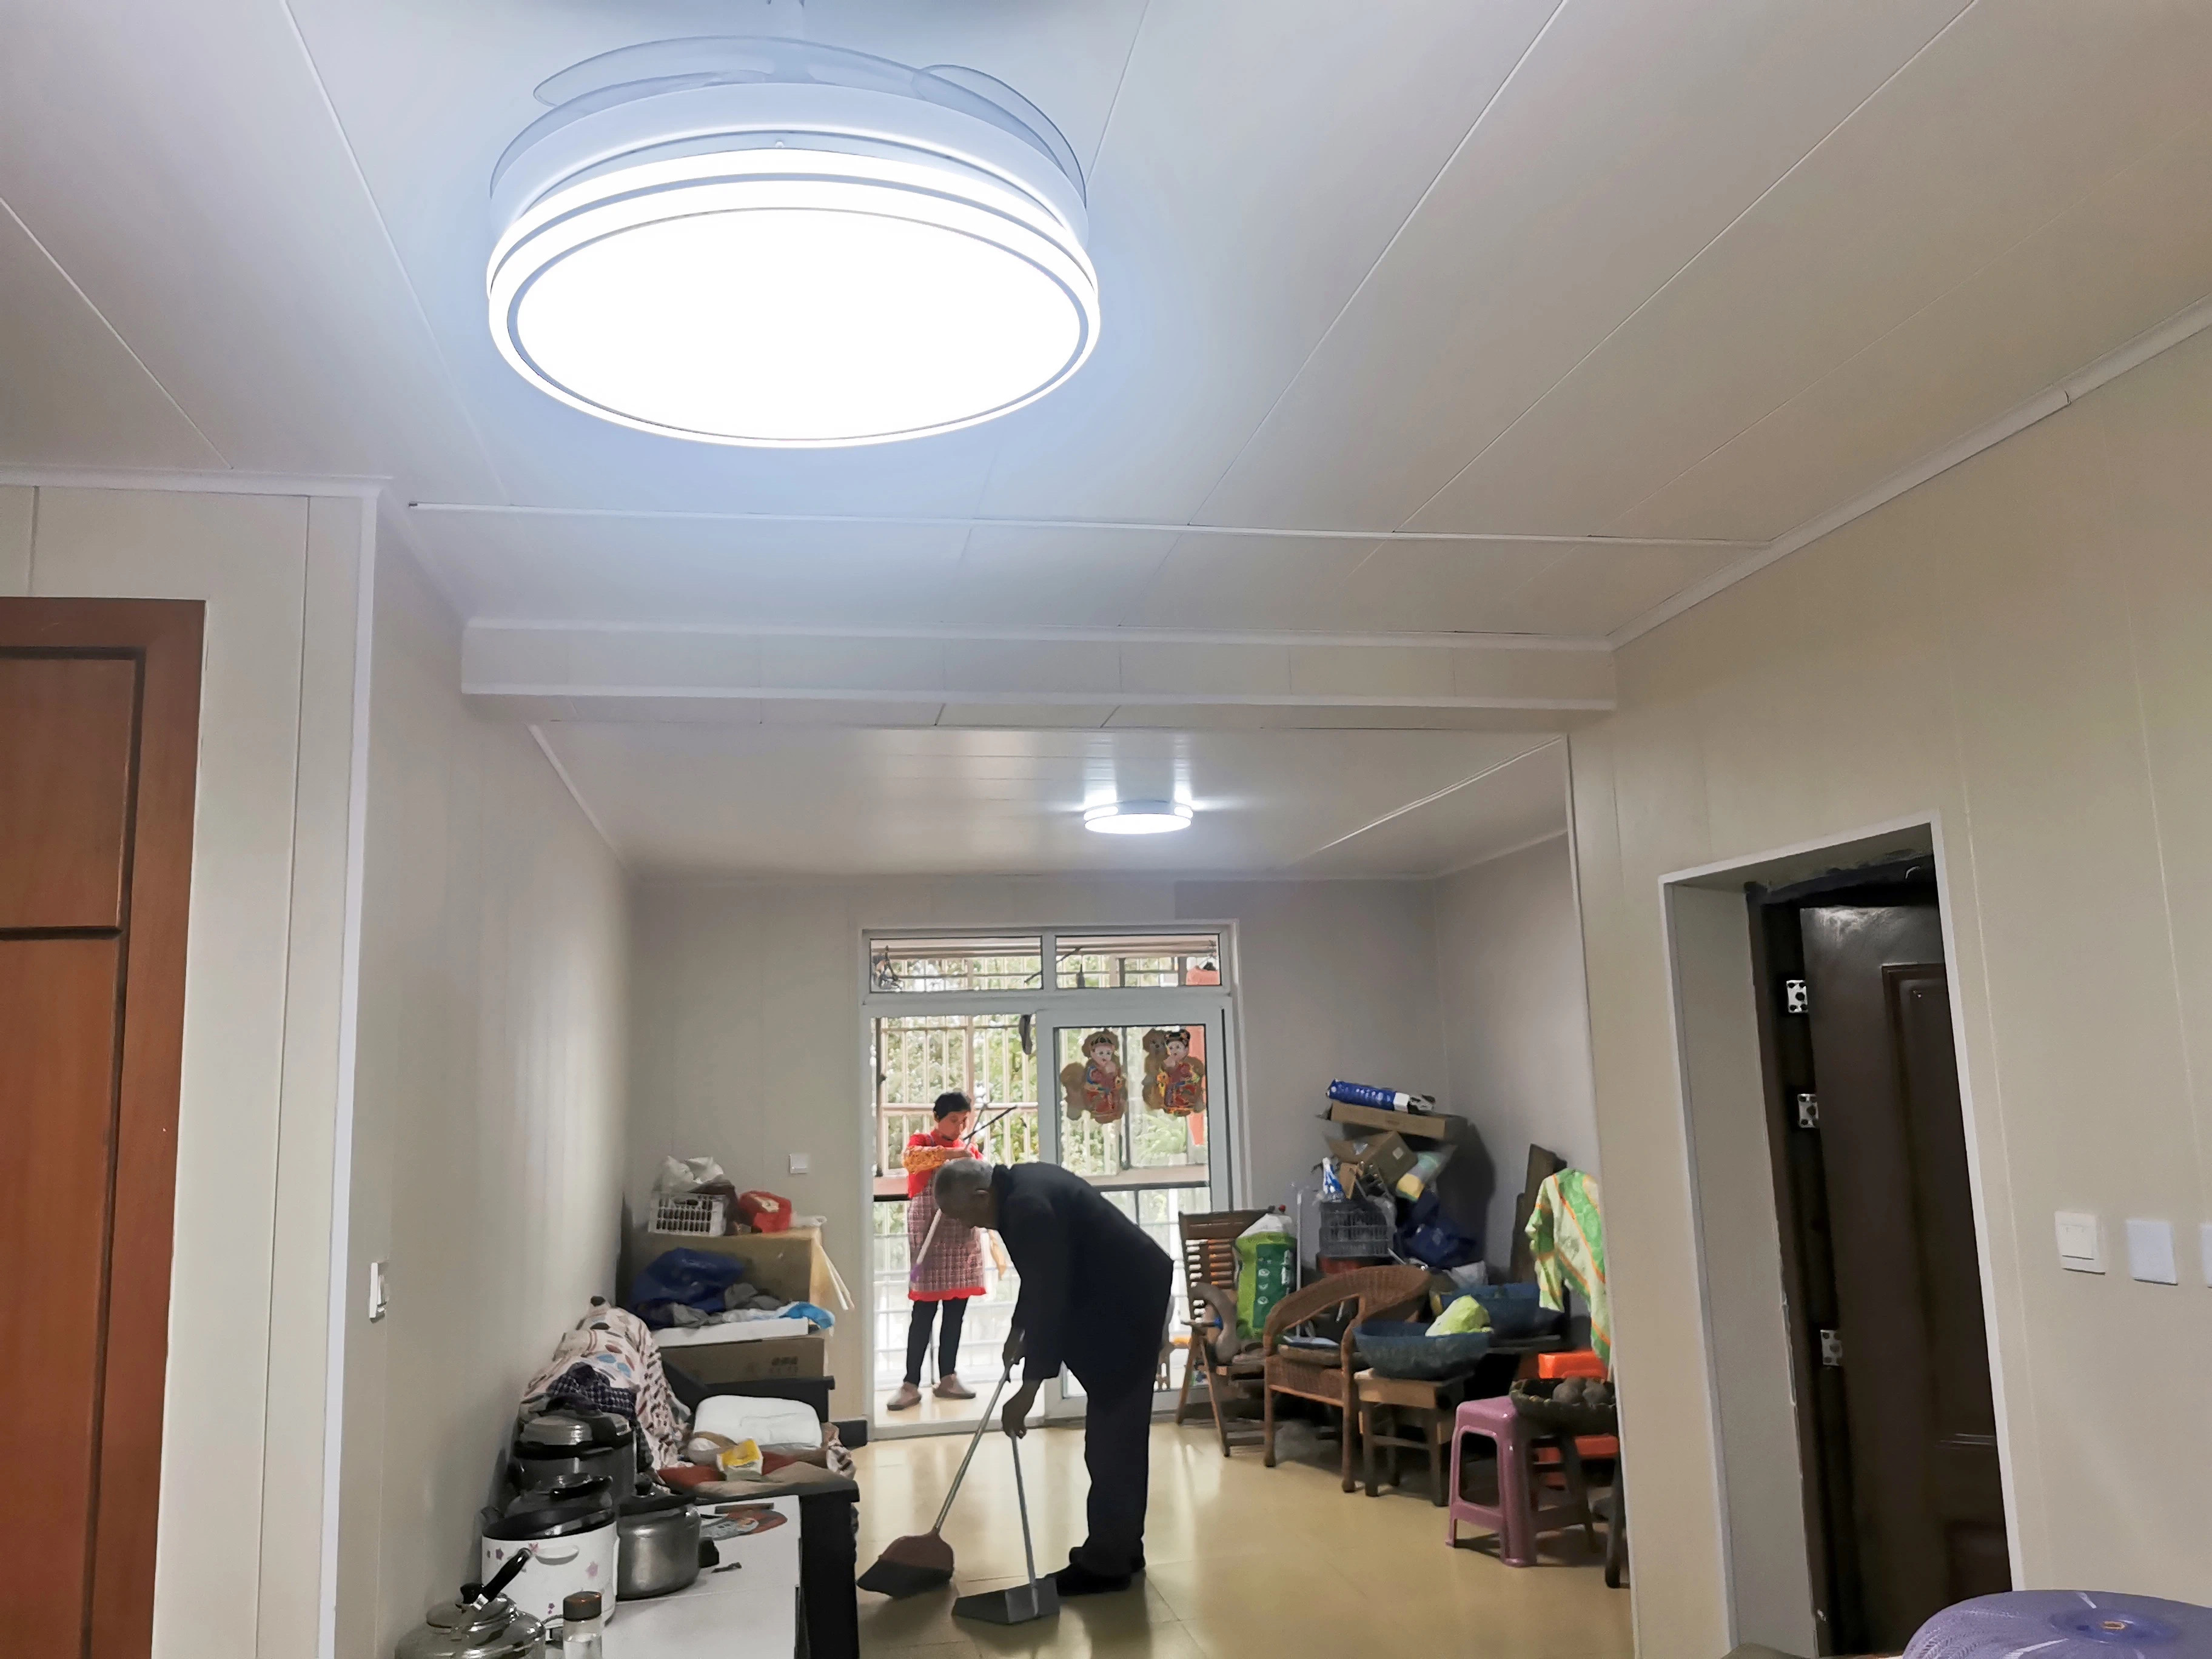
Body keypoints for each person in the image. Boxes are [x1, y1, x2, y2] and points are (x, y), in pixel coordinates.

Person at [932, 1157, 1173, 1595]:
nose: (966, 1226)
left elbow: (1051, 1294)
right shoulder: (1018, 1189)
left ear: (981, 1196)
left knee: (1112, 1439)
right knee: (1116, 1435)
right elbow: (1041, 1275)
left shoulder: (1026, 1207)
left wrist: (1029, 1390)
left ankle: (1107, 1564)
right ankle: (1122, 1548)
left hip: (1127, 1306)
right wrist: (1017, 1331)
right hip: (1118, 1296)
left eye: (962, 1215)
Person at [889, 1091, 986, 1411]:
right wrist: (954, 1153)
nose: (959, 1127)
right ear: (937, 1118)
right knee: (923, 1312)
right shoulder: (923, 1142)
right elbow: (911, 1160)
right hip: (928, 1239)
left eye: (964, 1121)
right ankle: (910, 1384)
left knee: (956, 1312)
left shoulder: (970, 1150)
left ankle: (948, 1377)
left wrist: (970, 1159)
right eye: (953, 1120)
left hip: (961, 1238)